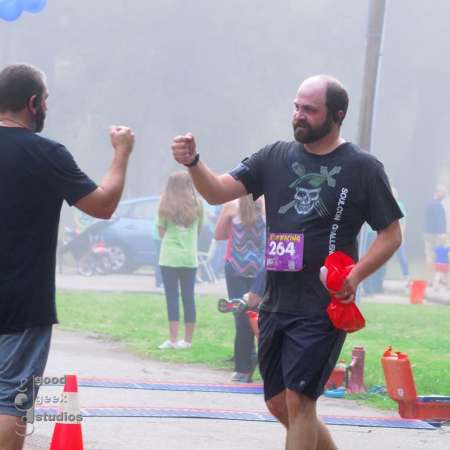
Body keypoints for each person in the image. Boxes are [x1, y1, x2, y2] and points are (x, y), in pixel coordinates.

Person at [171, 75, 402, 450]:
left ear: (337, 115)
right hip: (276, 302)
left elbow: (392, 234)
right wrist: (194, 162)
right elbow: (216, 192)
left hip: (323, 305)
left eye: (310, 110)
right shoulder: (274, 156)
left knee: (300, 400)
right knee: (279, 402)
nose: (299, 115)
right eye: (296, 107)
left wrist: (356, 277)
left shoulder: (362, 167)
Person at [0, 64, 134, 450]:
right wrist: (121, 154)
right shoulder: (47, 154)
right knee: (11, 399)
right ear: (32, 103)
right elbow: (103, 205)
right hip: (23, 302)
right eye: (45, 101)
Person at [214, 195, 265, 382]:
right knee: (262, 315)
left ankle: (243, 367)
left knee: (240, 314)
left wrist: (237, 229)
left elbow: (218, 235)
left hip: (236, 266)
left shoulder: (231, 206)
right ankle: (264, 362)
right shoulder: (266, 204)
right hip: (261, 269)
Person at [157, 171, 203, 349]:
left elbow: (161, 231)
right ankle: (188, 341)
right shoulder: (198, 204)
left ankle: (173, 340)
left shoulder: (164, 203)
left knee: (172, 298)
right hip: (189, 258)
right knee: (188, 297)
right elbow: (199, 229)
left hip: (169, 257)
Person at [424, 185, 448, 276]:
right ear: (438, 192)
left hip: (428, 233)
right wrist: (441, 233)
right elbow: (438, 220)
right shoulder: (437, 204)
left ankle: (431, 278)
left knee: (429, 255)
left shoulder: (429, 203)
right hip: (437, 234)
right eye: (443, 193)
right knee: (438, 256)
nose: (445, 195)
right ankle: (438, 277)